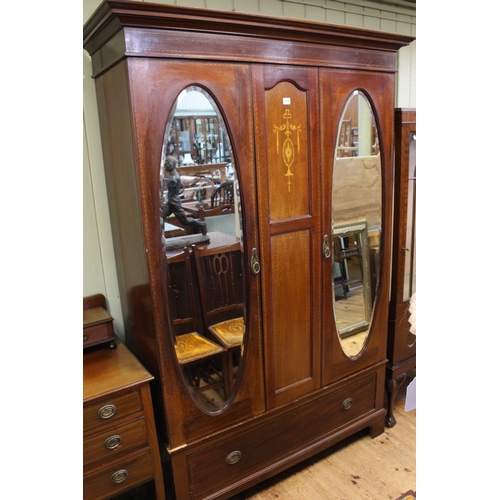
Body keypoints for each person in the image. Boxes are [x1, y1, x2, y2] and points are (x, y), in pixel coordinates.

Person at [160, 155, 207, 235]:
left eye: (166, 164)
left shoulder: (173, 178)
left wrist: (174, 194)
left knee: (184, 221)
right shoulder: (174, 174)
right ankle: (160, 235)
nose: (165, 166)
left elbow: (178, 186)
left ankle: (201, 224)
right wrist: (175, 193)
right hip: (171, 201)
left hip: (174, 203)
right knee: (161, 217)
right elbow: (182, 186)